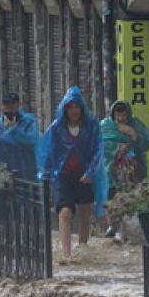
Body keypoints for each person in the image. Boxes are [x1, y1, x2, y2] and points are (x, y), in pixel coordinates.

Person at [39, 86, 108, 264]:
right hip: (63, 175)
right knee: (65, 212)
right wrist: (46, 174)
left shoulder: (91, 126)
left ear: (81, 108)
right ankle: (67, 254)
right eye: (70, 108)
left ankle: (82, 248)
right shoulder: (56, 128)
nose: (74, 111)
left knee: (85, 212)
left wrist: (91, 171)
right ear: (65, 110)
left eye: (76, 107)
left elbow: (97, 150)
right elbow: (48, 151)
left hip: (84, 174)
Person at [101, 99, 149, 242]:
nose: (120, 119)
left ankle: (131, 231)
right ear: (113, 115)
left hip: (134, 170)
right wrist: (117, 150)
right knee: (112, 197)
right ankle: (114, 227)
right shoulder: (106, 126)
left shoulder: (136, 124)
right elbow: (100, 146)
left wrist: (133, 135)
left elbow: (147, 143)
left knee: (131, 197)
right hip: (112, 170)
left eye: (123, 115)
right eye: (118, 116)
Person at [0, 93, 39, 181]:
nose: (10, 110)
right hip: (2, 171)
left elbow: (31, 142)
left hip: (25, 171)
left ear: (18, 105)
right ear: (2, 106)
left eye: (12, 105)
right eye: (7, 106)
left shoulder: (28, 122)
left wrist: (14, 130)